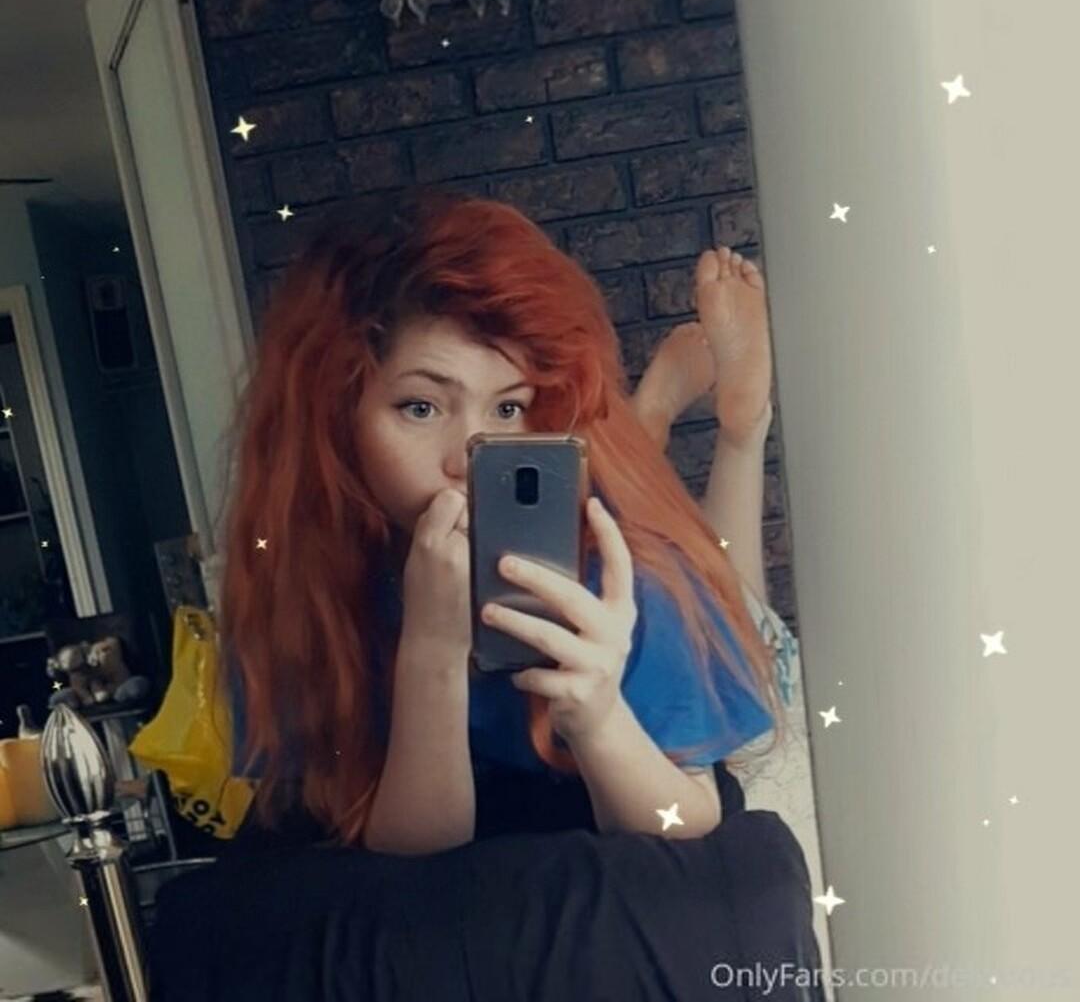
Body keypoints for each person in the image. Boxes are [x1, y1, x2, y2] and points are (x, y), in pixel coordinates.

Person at [219, 186, 787, 856]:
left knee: (738, 606)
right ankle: (652, 414)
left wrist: (599, 714)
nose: (467, 456)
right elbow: (405, 867)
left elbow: (689, 830)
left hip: (616, 848)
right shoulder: (302, 591)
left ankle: (736, 428)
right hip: (473, 898)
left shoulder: (622, 570)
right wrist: (431, 653)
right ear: (336, 421)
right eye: (421, 408)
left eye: (509, 409)